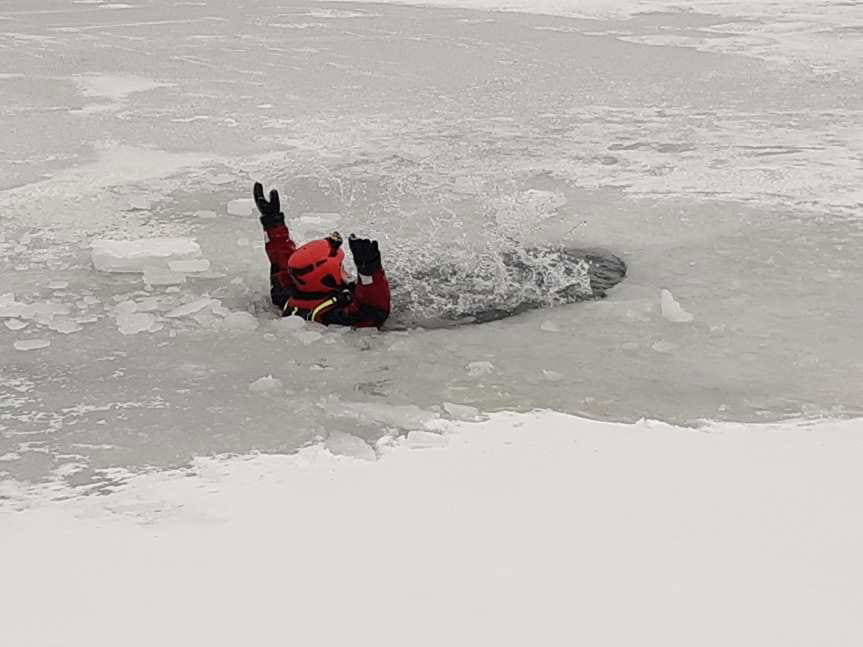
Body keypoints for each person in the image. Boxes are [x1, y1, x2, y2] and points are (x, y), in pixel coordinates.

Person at [253, 182, 391, 328]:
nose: (346, 273)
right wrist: (369, 270)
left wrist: (272, 222)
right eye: (340, 268)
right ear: (327, 279)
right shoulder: (332, 315)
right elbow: (374, 313)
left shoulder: (287, 293)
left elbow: (281, 261)